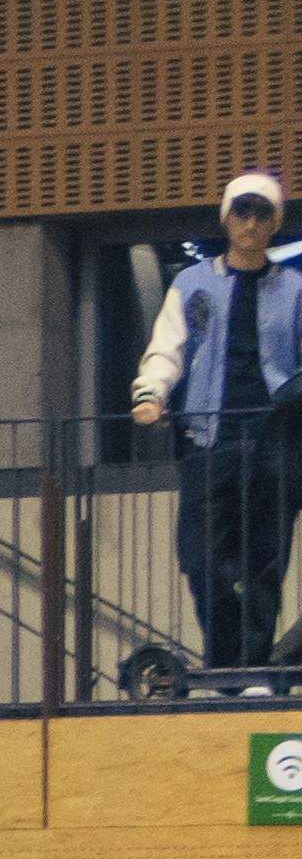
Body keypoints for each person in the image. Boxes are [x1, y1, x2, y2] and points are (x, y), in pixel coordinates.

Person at [134, 171, 302, 677]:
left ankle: (249, 671)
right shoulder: (192, 283)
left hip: (279, 438)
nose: (250, 223)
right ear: (225, 218)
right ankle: (229, 662)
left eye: (261, 214)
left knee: (265, 562)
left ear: (275, 224)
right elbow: (169, 345)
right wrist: (150, 393)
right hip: (209, 435)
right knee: (201, 559)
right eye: (241, 212)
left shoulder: (295, 287)